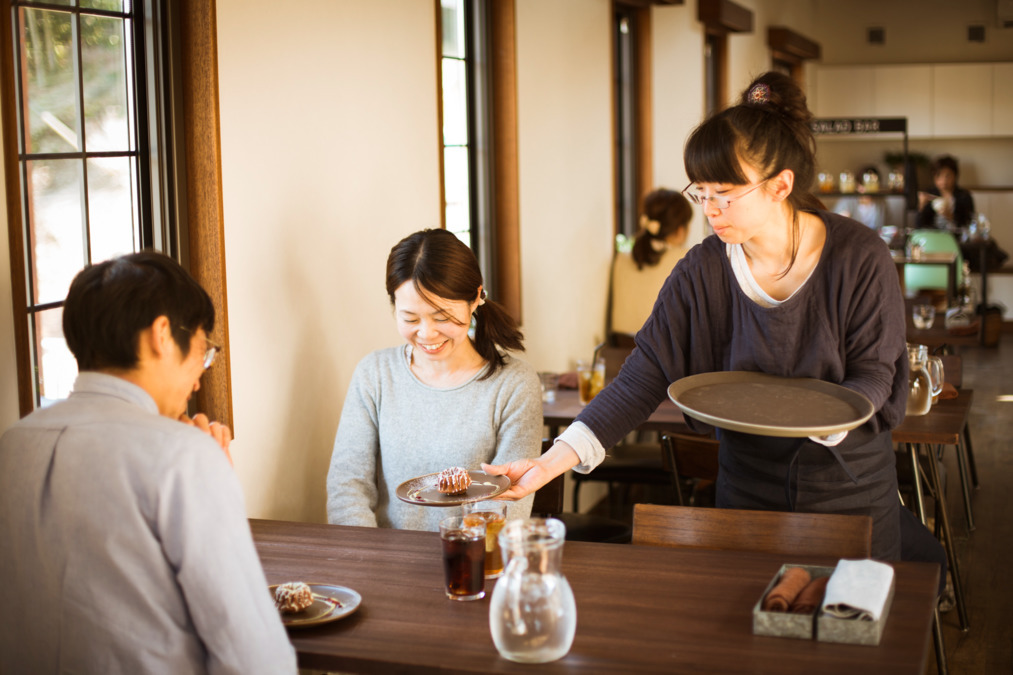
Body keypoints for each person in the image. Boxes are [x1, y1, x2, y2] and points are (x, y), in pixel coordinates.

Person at [486, 72, 946, 588]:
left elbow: (875, 375)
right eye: (700, 195)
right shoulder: (702, 270)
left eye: (725, 194)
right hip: (746, 493)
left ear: (781, 185)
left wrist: (811, 417)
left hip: (849, 490)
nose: (710, 212)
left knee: (850, 640)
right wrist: (548, 465)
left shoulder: (860, 258)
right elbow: (643, 377)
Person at [0, 252, 296, 673]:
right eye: (202, 350)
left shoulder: (13, 444)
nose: (200, 376)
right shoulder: (183, 456)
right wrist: (213, 474)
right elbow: (254, 656)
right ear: (161, 334)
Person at [326, 228, 542, 532]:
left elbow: (506, 505)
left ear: (476, 298)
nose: (426, 334)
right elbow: (347, 488)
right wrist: (369, 561)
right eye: (410, 319)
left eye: (442, 317)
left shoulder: (514, 384)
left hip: (474, 564)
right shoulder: (374, 374)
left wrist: (461, 565)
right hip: (386, 565)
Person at [609, 188, 693, 337]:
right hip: (662, 353)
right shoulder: (687, 259)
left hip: (621, 348)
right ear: (680, 230)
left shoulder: (623, 258)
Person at [917, 155, 975, 231]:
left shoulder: (964, 196)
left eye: (947, 176)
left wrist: (950, 216)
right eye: (939, 176)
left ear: (955, 176)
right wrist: (921, 207)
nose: (943, 180)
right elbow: (919, 226)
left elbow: (969, 225)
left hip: (956, 239)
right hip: (933, 237)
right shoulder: (929, 195)